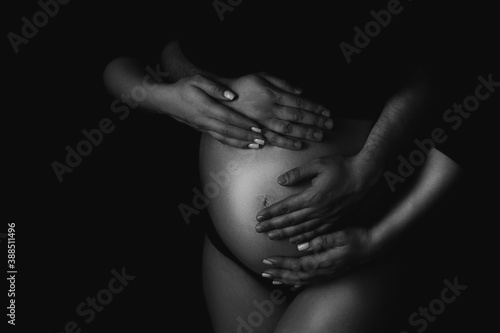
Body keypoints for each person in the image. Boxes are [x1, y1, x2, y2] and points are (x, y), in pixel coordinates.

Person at [103, 1, 484, 331]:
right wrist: (175, 98)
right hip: (230, 254)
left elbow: (453, 81)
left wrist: (371, 181)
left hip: (347, 246)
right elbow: (131, 50)